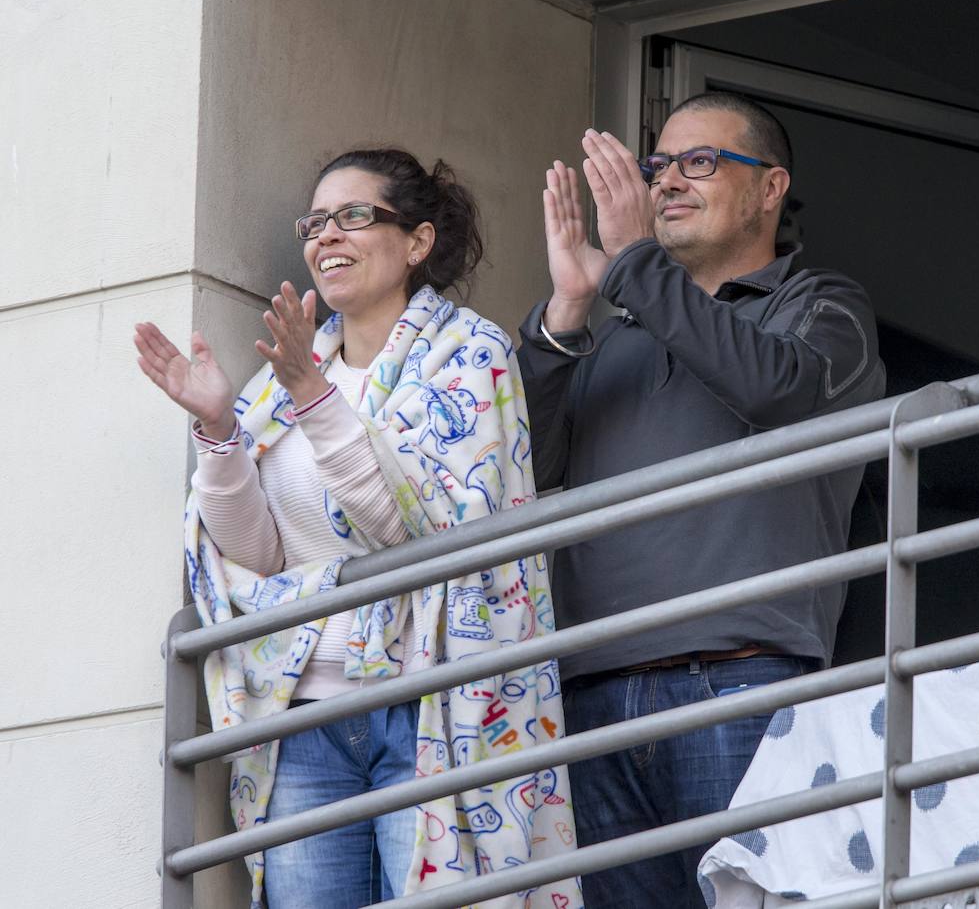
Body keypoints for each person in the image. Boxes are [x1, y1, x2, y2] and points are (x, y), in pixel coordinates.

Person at [134, 149, 580, 909]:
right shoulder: (283, 380)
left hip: (431, 704)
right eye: (315, 221)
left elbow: (415, 532)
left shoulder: (470, 354)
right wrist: (217, 429)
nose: (325, 236)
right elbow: (258, 555)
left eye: (354, 215)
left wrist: (315, 396)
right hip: (306, 715)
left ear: (417, 241)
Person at [516, 93, 886, 907]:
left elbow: (775, 391)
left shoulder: (823, 306)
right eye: (658, 166)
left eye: (700, 162)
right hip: (593, 691)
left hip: (742, 678)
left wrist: (633, 265)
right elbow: (525, 464)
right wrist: (569, 314)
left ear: (770, 187)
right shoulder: (617, 331)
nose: (668, 182)